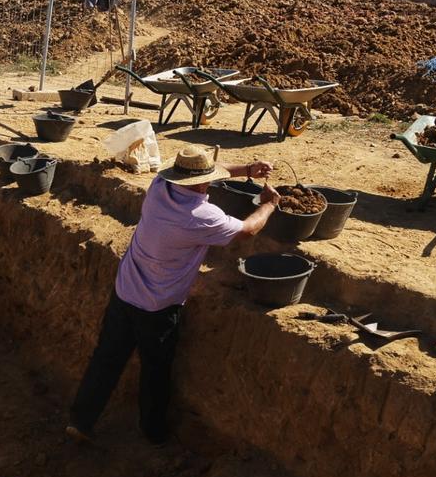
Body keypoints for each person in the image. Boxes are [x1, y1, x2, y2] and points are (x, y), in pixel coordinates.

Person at [67, 144, 280, 446]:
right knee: (155, 370)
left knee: (106, 358)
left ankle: (81, 420)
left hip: (125, 290)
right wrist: (269, 205)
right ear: (202, 181)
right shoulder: (201, 216)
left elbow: (206, 177)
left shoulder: (159, 187)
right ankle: (152, 432)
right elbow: (246, 230)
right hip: (158, 308)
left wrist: (247, 169)